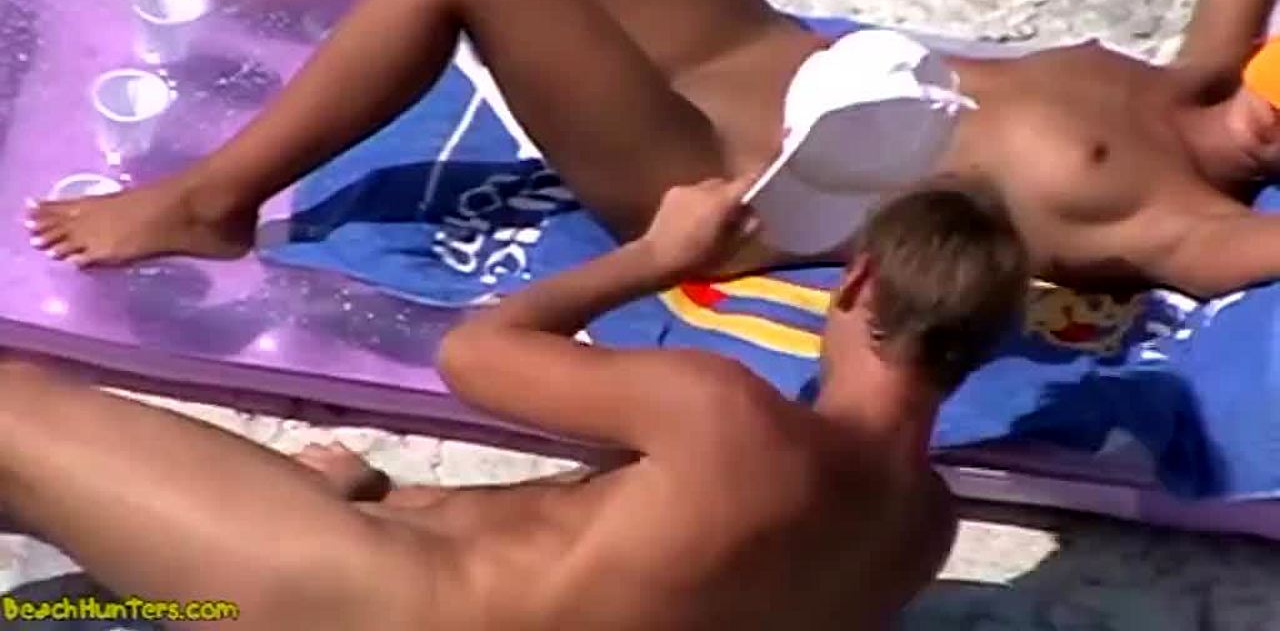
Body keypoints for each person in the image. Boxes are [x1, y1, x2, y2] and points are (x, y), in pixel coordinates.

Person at [21, 0, 1280, 300]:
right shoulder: (1196, 74)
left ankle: (213, 201)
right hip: (746, 50)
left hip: (712, 181)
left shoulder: (1187, 219)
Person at [0, 173, 1029, 630]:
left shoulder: (726, 414)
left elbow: (474, 355)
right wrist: (391, 497)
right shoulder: (917, 536)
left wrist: (658, 256)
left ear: (857, 283)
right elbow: (602, 565)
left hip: (344, 604)